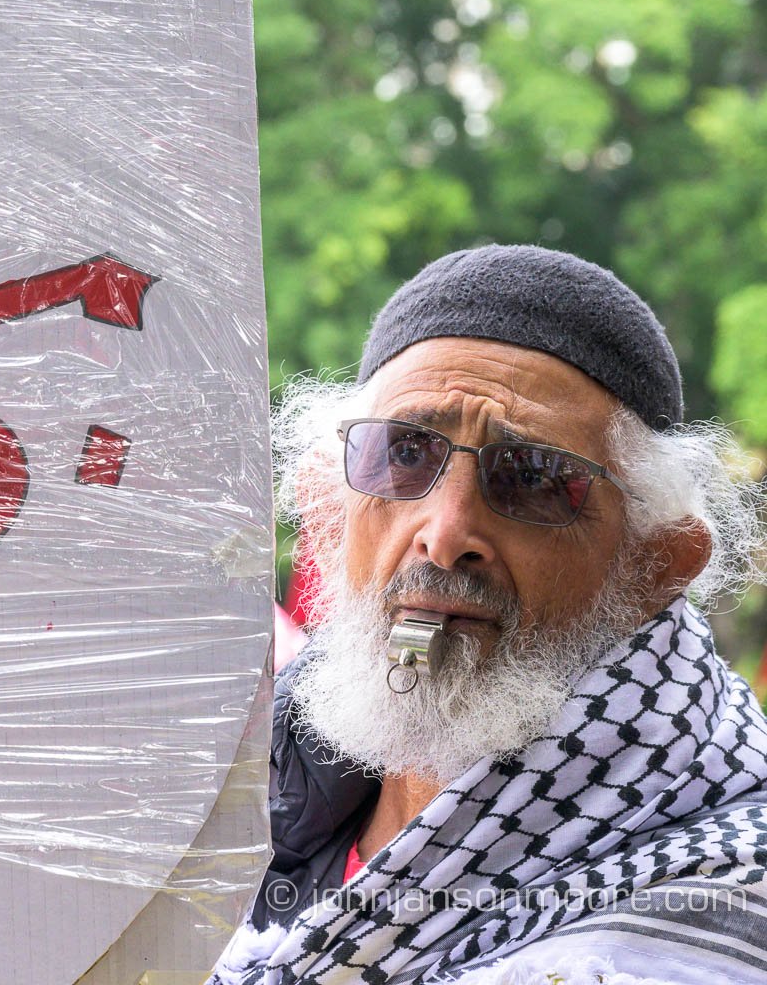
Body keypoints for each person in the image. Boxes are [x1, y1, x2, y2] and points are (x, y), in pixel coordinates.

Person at [215, 245, 767, 984]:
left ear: (653, 567)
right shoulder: (227, 799)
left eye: (535, 478)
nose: (445, 535)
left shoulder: (715, 894)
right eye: (403, 453)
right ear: (324, 511)